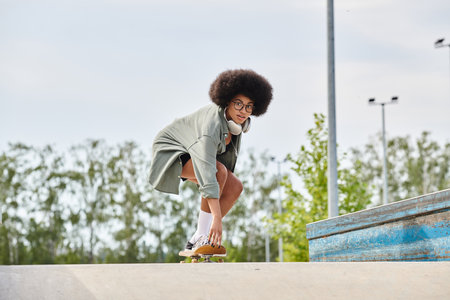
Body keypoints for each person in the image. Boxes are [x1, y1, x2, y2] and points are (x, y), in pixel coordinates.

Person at [148, 69, 273, 254]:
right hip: (171, 149)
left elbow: (224, 174)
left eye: (249, 106)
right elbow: (208, 173)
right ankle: (201, 235)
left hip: (195, 152)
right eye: (238, 104)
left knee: (236, 186)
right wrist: (217, 218)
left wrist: (217, 212)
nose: (243, 111)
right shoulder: (212, 125)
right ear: (227, 101)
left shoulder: (236, 126)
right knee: (217, 172)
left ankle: (197, 239)